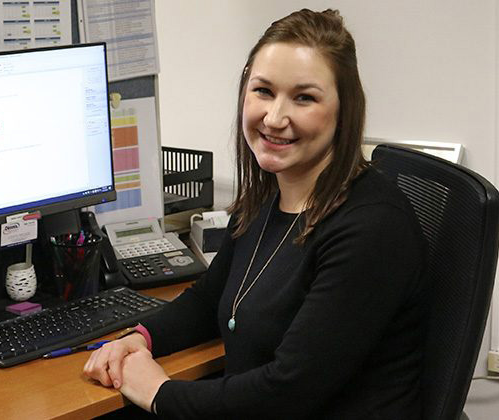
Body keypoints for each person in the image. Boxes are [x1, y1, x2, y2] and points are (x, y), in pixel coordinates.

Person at [82, 9, 425, 419]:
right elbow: (210, 296)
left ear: (344, 109)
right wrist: (140, 338)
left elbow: (287, 392)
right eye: (263, 91)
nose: (275, 118)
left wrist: (160, 392)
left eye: (304, 97)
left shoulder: (371, 228)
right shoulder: (270, 193)